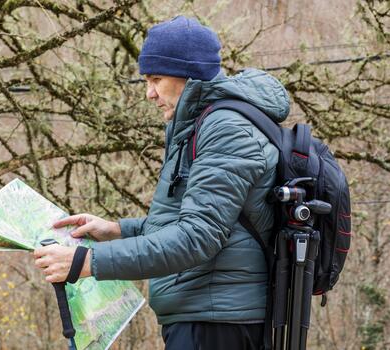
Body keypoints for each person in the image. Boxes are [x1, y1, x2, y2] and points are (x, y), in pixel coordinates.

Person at [33, 15, 290, 350]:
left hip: (218, 322)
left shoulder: (226, 128)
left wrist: (88, 262)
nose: (149, 94)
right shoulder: (198, 125)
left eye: (156, 79)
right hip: (204, 316)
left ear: (189, 77)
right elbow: (204, 221)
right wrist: (118, 230)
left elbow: (198, 237)